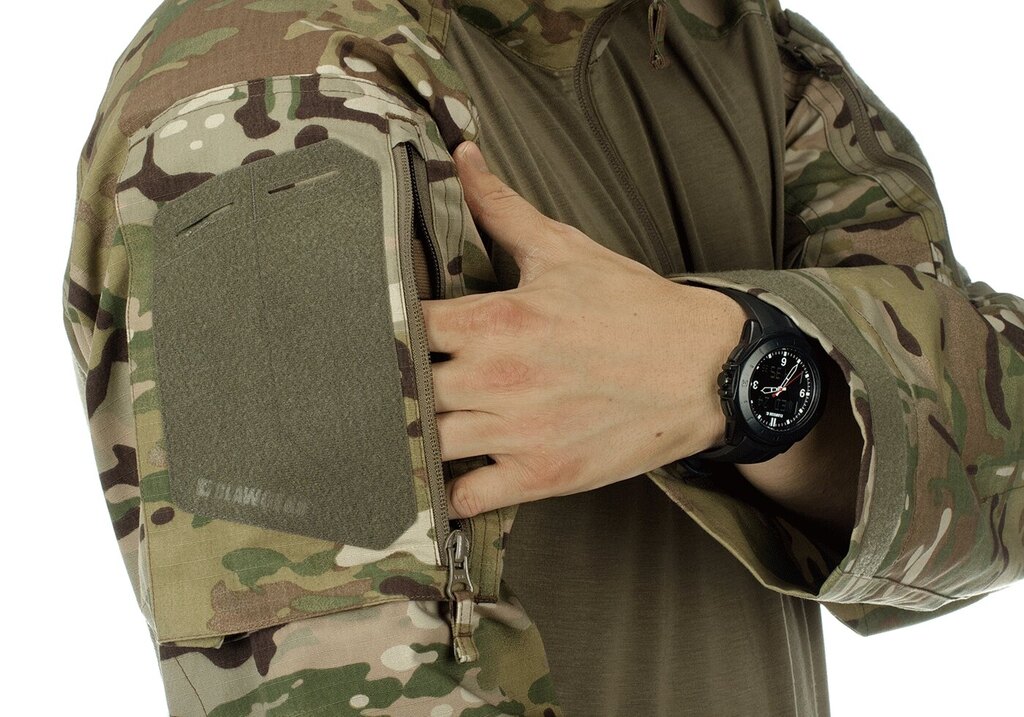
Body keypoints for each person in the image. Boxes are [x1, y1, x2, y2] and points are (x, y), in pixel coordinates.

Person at [61, 0, 1024, 714]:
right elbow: (325, 689)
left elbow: (997, 481)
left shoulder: (745, 52)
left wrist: (737, 371)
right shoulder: (271, 92)